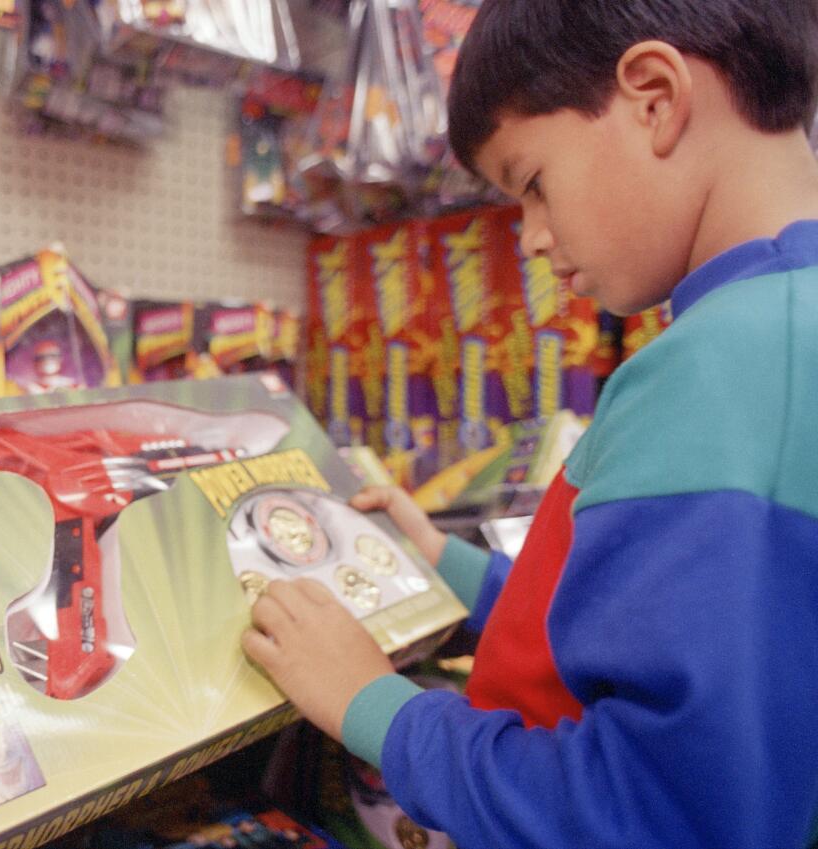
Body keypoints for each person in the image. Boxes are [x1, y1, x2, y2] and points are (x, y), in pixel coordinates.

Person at [242, 2, 818, 846]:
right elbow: (666, 643)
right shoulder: (773, 339)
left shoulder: (721, 368)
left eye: (533, 183)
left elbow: (658, 814)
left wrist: (377, 707)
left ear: (654, 97)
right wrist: (451, 568)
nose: (534, 240)